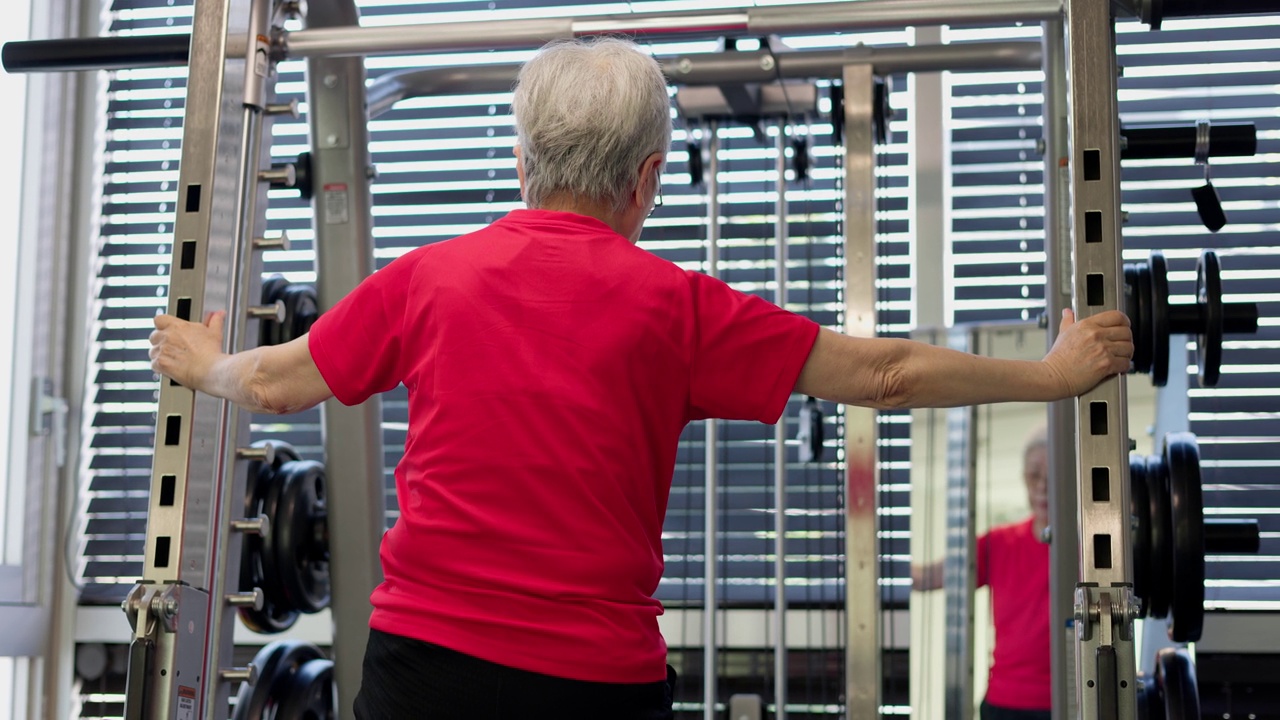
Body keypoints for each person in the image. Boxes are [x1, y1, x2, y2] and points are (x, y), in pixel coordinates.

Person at [149, 38, 1132, 720]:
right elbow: (883, 371)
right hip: (590, 683)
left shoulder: (426, 280)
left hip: (427, 672)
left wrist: (202, 361)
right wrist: (1050, 376)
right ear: (647, 177)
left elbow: (275, 384)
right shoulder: (680, 306)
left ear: (522, 157)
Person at [913, 427, 1052, 720]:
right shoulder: (999, 544)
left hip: (1064, 700)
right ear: (1023, 479)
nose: (1043, 487)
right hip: (1002, 702)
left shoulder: (1087, 547)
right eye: (1034, 475)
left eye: (1052, 477)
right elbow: (928, 577)